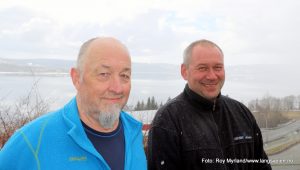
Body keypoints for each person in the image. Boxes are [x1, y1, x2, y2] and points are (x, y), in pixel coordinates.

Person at [0, 37, 147, 170]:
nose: (117, 88)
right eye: (104, 74)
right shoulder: (32, 141)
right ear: (77, 78)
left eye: (124, 76)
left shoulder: (134, 133)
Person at [147, 39, 272, 170]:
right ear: (184, 71)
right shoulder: (168, 120)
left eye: (218, 67)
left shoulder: (241, 113)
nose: (212, 76)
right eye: (202, 68)